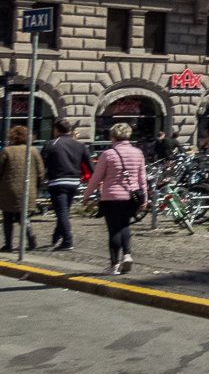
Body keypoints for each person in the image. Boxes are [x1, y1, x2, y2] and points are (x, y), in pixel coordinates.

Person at [80, 123, 148, 275]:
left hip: (111, 197)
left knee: (114, 230)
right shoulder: (138, 153)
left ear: (113, 137)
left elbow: (96, 178)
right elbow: (142, 178)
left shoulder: (108, 154)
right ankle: (127, 255)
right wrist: (145, 198)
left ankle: (114, 266)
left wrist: (86, 196)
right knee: (125, 225)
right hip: (132, 197)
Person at [42, 118, 88, 251]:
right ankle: (56, 236)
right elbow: (89, 163)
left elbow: (42, 164)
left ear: (56, 130)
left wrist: (41, 179)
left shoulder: (51, 144)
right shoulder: (79, 145)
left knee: (62, 212)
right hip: (74, 182)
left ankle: (67, 240)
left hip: (57, 182)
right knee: (64, 211)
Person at [0, 125, 42, 252]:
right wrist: (37, 187)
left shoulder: (6, 151)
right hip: (27, 189)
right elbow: (40, 172)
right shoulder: (33, 151)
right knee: (23, 217)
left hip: (8, 190)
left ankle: (8, 244)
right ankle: (31, 239)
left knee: (7, 218)